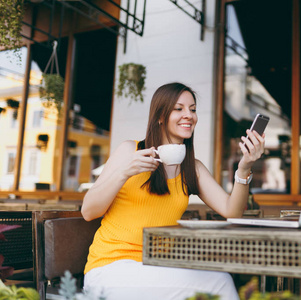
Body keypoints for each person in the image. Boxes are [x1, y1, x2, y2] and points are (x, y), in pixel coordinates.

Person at [81, 82, 265, 300]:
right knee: (218, 283)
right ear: (160, 116)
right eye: (179, 109)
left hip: (157, 267)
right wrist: (124, 172)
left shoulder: (192, 168)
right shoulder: (131, 151)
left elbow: (233, 212)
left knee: (219, 277)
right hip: (111, 267)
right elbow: (88, 212)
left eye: (193, 109)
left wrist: (244, 167)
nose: (188, 115)